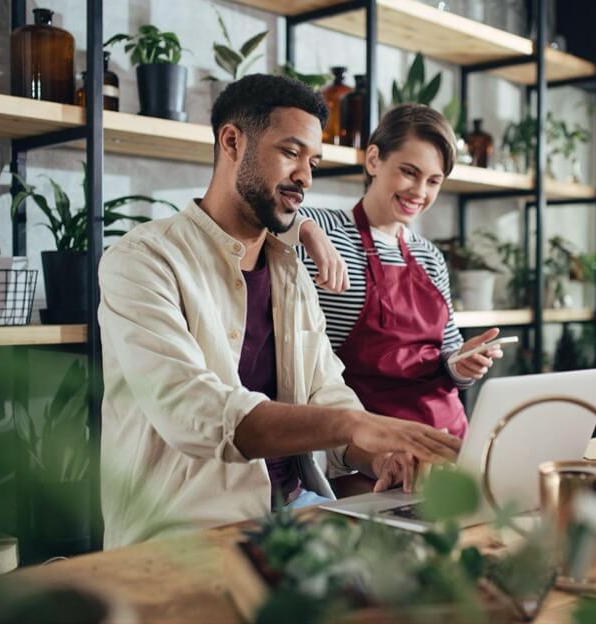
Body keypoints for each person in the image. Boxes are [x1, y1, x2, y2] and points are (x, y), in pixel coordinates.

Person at [97, 76, 461, 548]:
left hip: (297, 515)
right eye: (291, 153)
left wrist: (377, 456)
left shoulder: (289, 270)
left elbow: (325, 390)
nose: (306, 177)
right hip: (186, 538)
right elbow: (192, 411)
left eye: (313, 161)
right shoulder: (143, 260)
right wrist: (357, 424)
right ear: (232, 142)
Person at [294, 104, 506, 439]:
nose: (419, 192)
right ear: (374, 159)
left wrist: (463, 364)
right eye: (409, 172)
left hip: (448, 435)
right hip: (368, 443)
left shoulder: (430, 256)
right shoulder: (325, 231)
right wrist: (305, 229)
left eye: (433, 181)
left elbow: (446, 358)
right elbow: (263, 218)